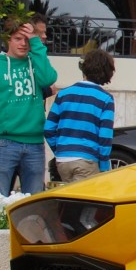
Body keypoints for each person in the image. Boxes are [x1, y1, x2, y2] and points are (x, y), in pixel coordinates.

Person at [0, 17, 59, 195]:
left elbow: (49, 79)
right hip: (3, 143)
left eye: (27, 39)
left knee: (34, 203)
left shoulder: (36, 63)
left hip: (34, 143)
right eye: (18, 38)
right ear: (8, 39)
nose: (23, 44)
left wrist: (36, 43)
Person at [44, 48, 116, 183]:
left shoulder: (63, 94)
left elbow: (48, 129)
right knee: (86, 202)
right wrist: (104, 166)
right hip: (87, 160)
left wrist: (60, 149)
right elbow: (105, 137)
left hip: (62, 160)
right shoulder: (105, 99)